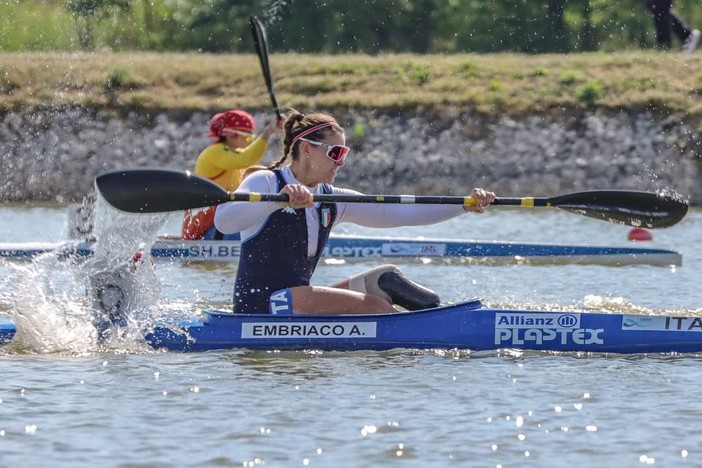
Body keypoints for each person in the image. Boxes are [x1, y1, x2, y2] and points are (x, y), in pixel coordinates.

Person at [213, 110, 495, 315]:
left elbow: (401, 214)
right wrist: (277, 201)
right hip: (262, 306)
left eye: (344, 153)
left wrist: (464, 205)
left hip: (295, 300)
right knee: (375, 306)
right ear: (308, 149)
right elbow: (224, 222)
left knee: (385, 279)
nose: (341, 162)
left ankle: (437, 321)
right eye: (335, 153)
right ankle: (418, 336)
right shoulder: (267, 182)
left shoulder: (332, 199)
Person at [182, 109, 283, 240]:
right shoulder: (214, 153)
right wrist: (269, 132)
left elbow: (247, 164)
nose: (249, 142)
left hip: (220, 225)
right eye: (248, 137)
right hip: (204, 231)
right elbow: (246, 158)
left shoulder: (231, 161)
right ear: (230, 135)